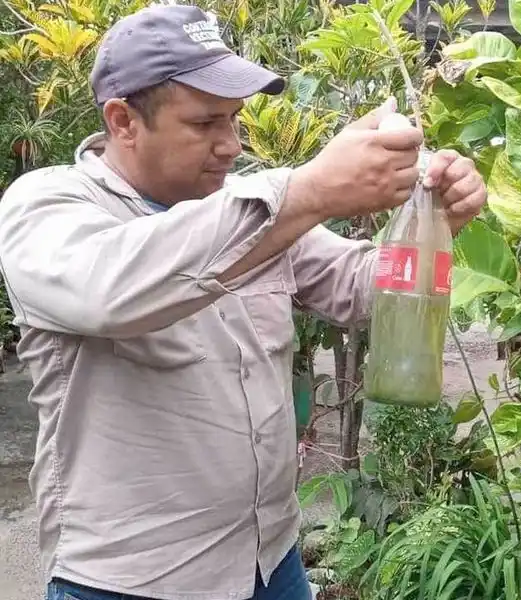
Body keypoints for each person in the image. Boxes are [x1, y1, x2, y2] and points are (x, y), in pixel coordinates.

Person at [0, 4, 487, 600]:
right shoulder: (47, 208)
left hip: (268, 558)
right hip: (136, 581)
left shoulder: (252, 207)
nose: (231, 144)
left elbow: (359, 286)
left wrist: (433, 223)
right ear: (123, 121)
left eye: (234, 119)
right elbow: (108, 293)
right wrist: (307, 190)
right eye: (206, 123)